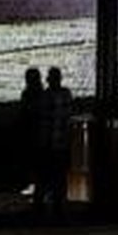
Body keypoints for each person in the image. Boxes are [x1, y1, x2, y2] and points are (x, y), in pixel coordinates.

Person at [36, 67, 72, 215]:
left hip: (50, 141)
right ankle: (57, 203)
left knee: (46, 175)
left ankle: (43, 204)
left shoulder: (45, 96)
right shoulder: (65, 94)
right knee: (58, 175)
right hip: (60, 141)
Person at [18, 67, 44, 198]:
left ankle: (35, 186)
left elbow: (24, 112)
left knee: (34, 163)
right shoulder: (42, 94)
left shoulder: (28, 94)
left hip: (34, 133)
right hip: (39, 133)